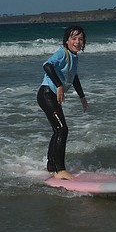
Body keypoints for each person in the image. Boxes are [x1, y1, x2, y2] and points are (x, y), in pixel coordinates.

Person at [37, 26, 89, 180]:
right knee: (62, 129)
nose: (77, 42)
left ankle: (51, 165)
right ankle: (60, 170)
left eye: (80, 39)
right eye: (74, 38)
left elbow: (74, 77)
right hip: (47, 94)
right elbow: (47, 65)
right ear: (67, 40)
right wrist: (59, 86)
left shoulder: (74, 56)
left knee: (58, 130)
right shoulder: (62, 52)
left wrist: (82, 97)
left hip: (51, 95)